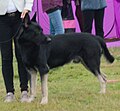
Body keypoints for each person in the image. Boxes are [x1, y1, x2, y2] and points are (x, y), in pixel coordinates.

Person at [0, 0, 33, 102]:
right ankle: (9, 92)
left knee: (21, 55)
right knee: (6, 56)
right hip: (2, 18)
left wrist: (27, 6)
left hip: (20, 16)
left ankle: (24, 90)